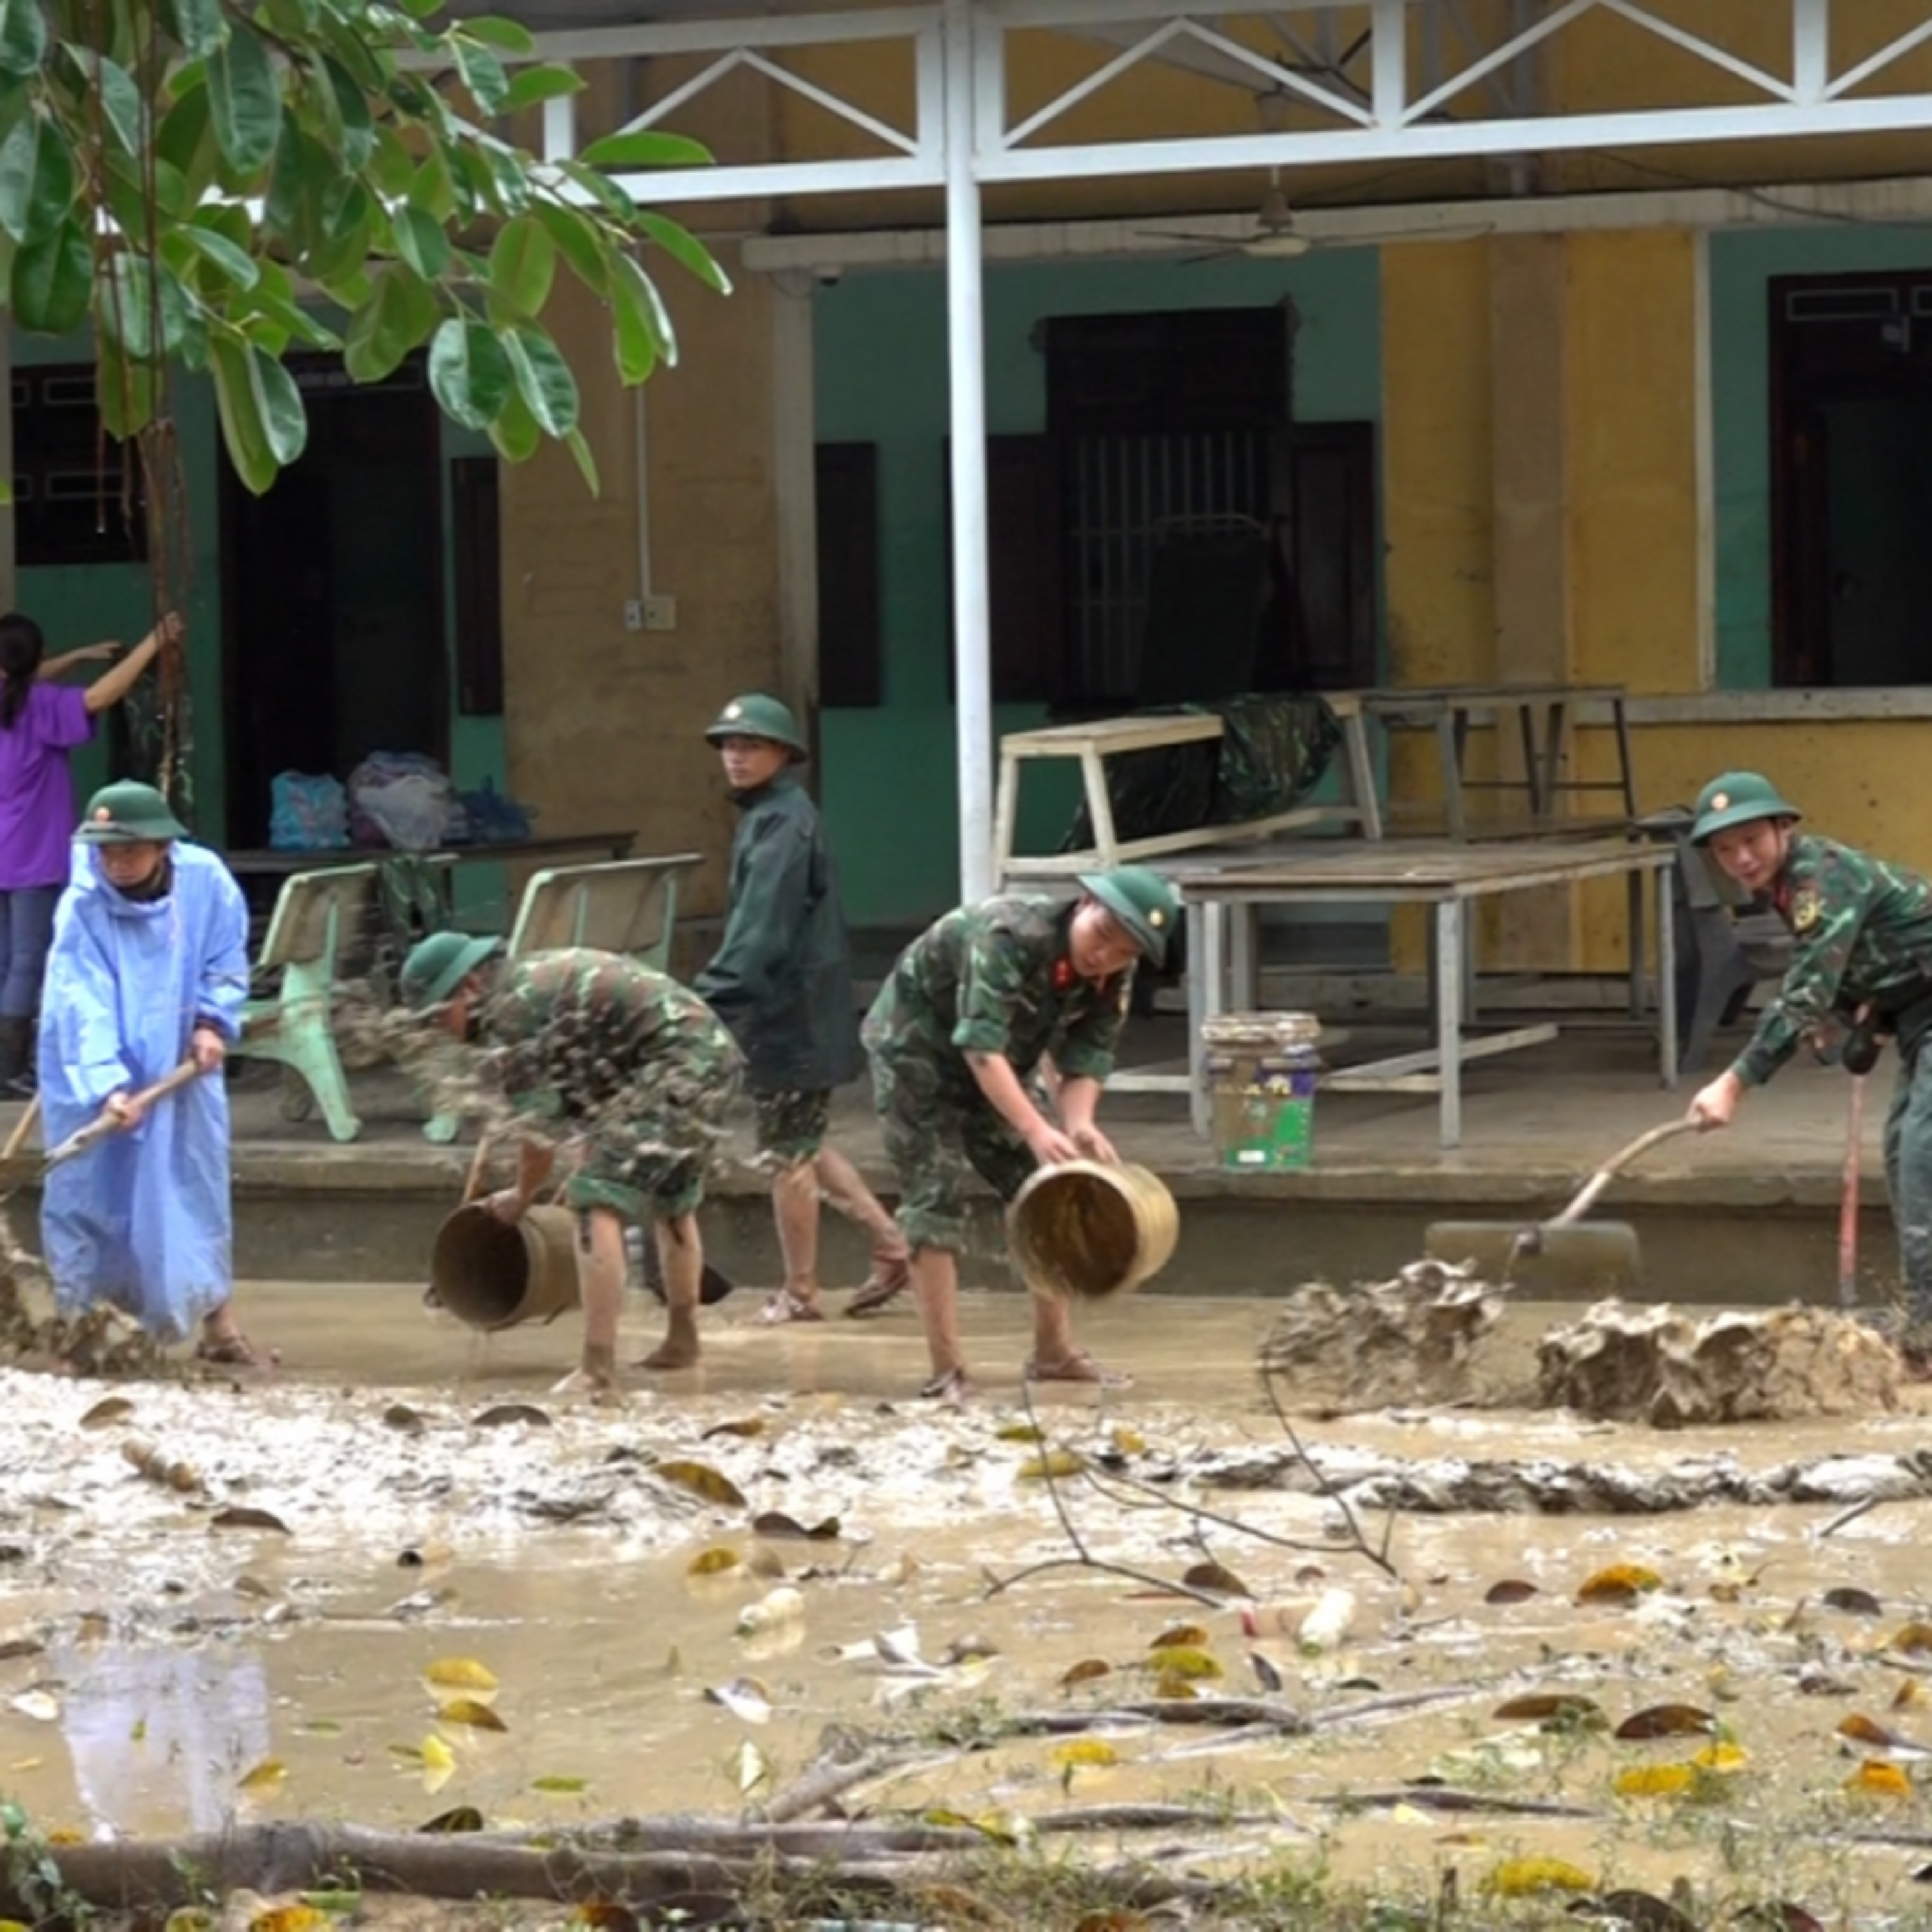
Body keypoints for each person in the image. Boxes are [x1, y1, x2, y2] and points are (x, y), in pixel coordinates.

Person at [863, 864, 1182, 1400]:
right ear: (1083, 904)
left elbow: (1088, 1056)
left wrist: (1077, 1124)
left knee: (1050, 1183)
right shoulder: (1009, 934)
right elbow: (979, 1048)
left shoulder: (1114, 972)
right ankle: (948, 1369)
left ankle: (1054, 1352)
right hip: (918, 1052)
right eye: (1103, 936)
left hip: (1007, 1061)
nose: (1106, 956)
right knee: (933, 1201)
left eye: (1126, 952)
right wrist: (1035, 1127)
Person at [399, 933, 741, 1397]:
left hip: (676, 1063)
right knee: (671, 1199)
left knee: (591, 1200)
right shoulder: (526, 984)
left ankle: (597, 1368)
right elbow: (582, 1086)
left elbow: (537, 1138)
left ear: (471, 987)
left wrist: (521, 1200)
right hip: (709, 1054)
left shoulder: (510, 1015)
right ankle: (683, 1341)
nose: (440, 1031)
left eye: (441, 1016)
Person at [1684, 770, 1932, 1372]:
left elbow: (1803, 993)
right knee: (1902, 1151)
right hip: (1917, 1017)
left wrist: (1733, 1082)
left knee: (1926, 1154)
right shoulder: (1787, 891)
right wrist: (1858, 1022)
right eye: (1725, 849)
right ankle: (1923, 1321)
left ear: (1783, 827)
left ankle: (1928, 1331)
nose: (1742, 858)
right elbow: (1864, 965)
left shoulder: (1823, 879)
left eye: (1752, 841)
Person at [693, 692, 910, 1324]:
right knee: (802, 1141)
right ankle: (891, 1243)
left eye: (750, 745)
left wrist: (707, 998)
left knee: (786, 1156)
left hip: (790, 1013)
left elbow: (761, 932)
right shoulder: (769, 815)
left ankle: (801, 1290)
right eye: (729, 745)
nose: (736, 756)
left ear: (784, 753)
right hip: (793, 1008)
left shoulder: (784, 822)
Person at [37, 780, 256, 1362]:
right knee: (91, 1194)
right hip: (94, 1070)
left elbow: (226, 958)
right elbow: (81, 1001)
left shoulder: (206, 882)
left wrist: (212, 1020)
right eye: (107, 851)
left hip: (182, 1062)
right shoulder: (83, 904)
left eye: (131, 850)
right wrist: (108, 1084)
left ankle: (217, 1322)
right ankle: (83, 1326)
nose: (118, 863)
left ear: (164, 848)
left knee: (192, 1186)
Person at [0, 611, 184, 1095]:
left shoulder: (18, 696)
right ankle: (9, 1070)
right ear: (34, 659)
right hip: (31, 853)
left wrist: (78, 656)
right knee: (26, 960)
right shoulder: (38, 706)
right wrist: (154, 642)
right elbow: (99, 697)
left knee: (4, 960)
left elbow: (21, 674)